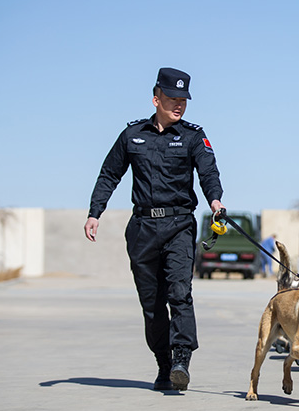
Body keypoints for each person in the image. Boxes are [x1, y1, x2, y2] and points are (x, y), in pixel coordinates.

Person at [84, 67, 225, 392]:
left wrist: (215, 200)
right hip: (143, 227)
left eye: (184, 100)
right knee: (152, 304)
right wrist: (95, 213)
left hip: (178, 225)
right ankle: (164, 365)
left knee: (180, 293)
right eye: (173, 99)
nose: (179, 105)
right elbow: (109, 175)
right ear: (156, 98)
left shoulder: (192, 136)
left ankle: (181, 360)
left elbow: (208, 171)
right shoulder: (132, 135)